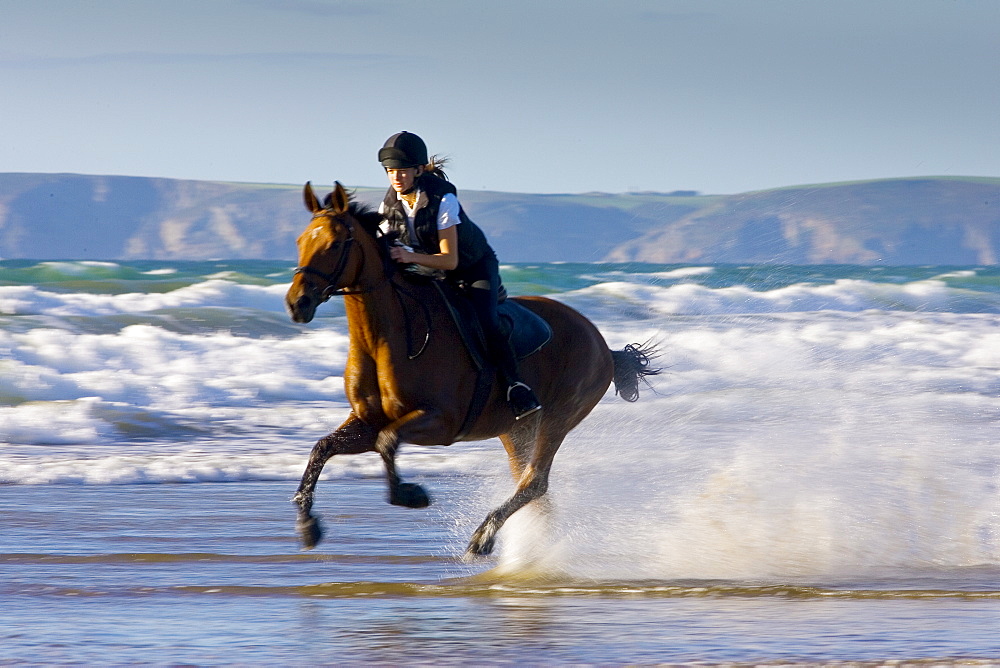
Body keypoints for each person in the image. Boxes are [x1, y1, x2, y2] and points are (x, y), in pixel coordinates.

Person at [376, 131, 541, 420]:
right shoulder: (388, 206)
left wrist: (409, 257)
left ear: (418, 170)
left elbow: (450, 260)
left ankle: (517, 387)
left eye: (402, 171)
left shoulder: (444, 200)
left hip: (473, 268)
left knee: (486, 320)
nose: (396, 178)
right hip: (430, 268)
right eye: (391, 171)